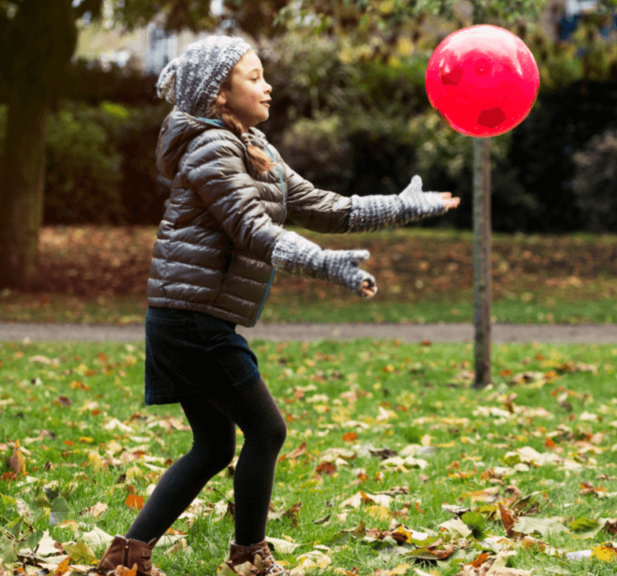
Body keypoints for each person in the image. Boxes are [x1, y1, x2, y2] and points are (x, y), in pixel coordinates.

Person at [92, 35, 460, 576]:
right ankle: (248, 558)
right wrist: (325, 264)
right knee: (266, 431)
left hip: (191, 316)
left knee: (216, 445)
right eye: (254, 76)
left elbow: (323, 206)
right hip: (191, 321)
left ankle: (128, 555)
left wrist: (402, 207)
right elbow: (252, 229)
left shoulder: (253, 146)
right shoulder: (210, 150)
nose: (267, 86)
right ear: (220, 93)